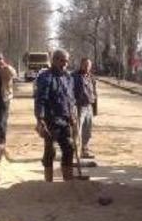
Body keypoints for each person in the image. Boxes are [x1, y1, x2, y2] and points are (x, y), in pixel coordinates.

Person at [35, 49, 77, 182]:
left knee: (69, 148)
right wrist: (40, 119)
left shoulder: (68, 78)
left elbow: (70, 99)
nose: (65, 64)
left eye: (66, 61)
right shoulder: (46, 77)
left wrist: (72, 114)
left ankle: (68, 181)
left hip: (65, 120)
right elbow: (40, 99)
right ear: (54, 60)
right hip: (50, 121)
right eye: (62, 61)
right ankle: (49, 182)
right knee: (50, 151)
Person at [73, 57, 98, 159]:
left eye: (89, 65)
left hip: (89, 107)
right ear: (81, 65)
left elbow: (94, 93)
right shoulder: (74, 77)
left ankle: (84, 149)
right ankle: (75, 151)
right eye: (85, 65)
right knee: (77, 130)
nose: (87, 67)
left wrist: (95, 109)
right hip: (79, 107)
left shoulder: (91, 77)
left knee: (87, 130)